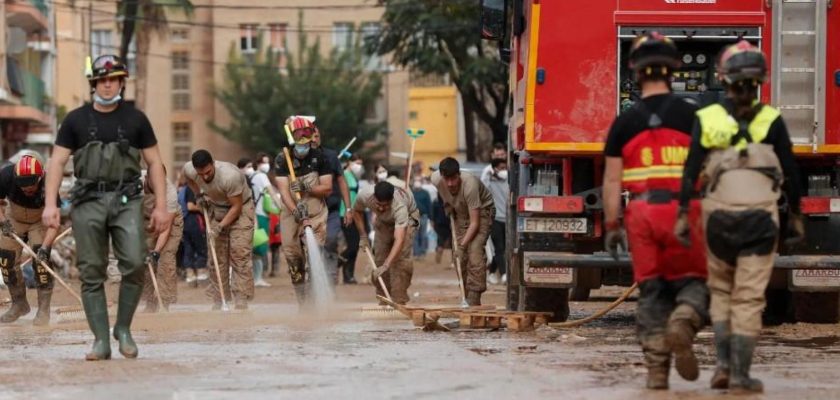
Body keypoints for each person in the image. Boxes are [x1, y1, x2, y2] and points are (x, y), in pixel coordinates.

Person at [674, 40, 803, 394]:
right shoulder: (771, 119)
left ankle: (723, 366)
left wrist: (685, 214)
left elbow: (690, 172)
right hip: (760, 222)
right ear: (760, 79)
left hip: (719, 221)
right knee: (748, 299)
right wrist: (797, 216)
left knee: (722, 294)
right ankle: (742, 375)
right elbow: (790, 171)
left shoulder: (707, 118)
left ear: (723, 79)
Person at [42, 54, 172, 360]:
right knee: (92, 272)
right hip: (87, 202)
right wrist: (51, 204)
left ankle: (123, 329)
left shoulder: (136, 120)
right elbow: (57, 162)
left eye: (113, 79)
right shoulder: (74, 120)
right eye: (102, 79)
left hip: (128, 200)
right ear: (93, 84)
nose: (107, 84)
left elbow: (154, 163)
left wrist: (161, 206)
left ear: (122, 82)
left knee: (135, 264)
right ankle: (100, 339)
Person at [603, 33, 709, 390]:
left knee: (651, 291)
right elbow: (708, 172)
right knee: (694, 282)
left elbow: (612, 180)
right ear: (674, 69)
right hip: (684, 211)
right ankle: (684, 320)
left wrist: (612, 223)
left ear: (635, 72)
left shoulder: (624, 122)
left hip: (642, 214)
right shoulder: (692, 115)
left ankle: (657, 371)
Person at [183, 149, 255, 310]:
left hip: (241, 208)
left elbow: (236, 207)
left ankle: (241, 298)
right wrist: (199, 195)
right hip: (216, 208)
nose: (205, 177)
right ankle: (220, 298)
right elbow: (189, 179)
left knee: (239, 253)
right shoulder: (190, 169)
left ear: (213, 164)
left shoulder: (230, 176)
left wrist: (220, 227)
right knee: (216, 256)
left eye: (208, 172)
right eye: (200, 174)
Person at [274, 117, 333, 306]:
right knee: (293, 257)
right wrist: (295, 210)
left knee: (315, 256)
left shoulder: (320, 158)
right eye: (299, 140)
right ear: (292, 139)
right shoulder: (283, 158)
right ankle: (302, 302)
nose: (303, 145)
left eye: (306, 140)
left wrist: (307, 188)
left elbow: (327, 188)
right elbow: (284, 191)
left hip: (316, 213)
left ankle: (316, 299)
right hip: (291, 213)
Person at [0, 155, 59, 325]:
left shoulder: (50, 184)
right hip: (14, 217)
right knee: (5, 258)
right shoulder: (6, 176)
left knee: (42, 262)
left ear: (40, 178)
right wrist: (3, 222)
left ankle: (43, 308)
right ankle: (19, 303)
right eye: (22, 186)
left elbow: (54, 223)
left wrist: (45, 248)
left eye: (31, 185)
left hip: (40, 219)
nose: (26, 189)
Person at [431, 157, 495, 306]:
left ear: (459, 174)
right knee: (460, 258)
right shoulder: (435, 179)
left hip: (482, 212)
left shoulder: (470, 185)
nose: (450, 184)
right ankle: (465, 295)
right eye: (447, 179)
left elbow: (475, 223)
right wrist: (447, 203)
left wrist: (461, 246)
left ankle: (474, 297)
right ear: (441, 176)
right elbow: (441, 192)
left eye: (454, 179)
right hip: (460, 212)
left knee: (474, 251)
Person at [351, 181, 419, 304]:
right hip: (383, 221)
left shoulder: (400, 206)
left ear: (391, 200)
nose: (381, 208)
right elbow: (356, 211)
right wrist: (363, 236)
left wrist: (387, 265)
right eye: (378, 204)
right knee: (379, 260)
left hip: (408, 219)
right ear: (373, 197)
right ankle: (384, 297)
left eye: (385, 205)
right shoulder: (365, 194)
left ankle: (399, 298)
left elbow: (399, 240)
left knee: (400, 260)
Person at [311, 128, 351, 287]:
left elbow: (341, 181)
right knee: (311, 248)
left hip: (331, 211)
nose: (314, 139)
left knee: (331, 240)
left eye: (317, 136)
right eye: (311, 136)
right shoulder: (297, 158)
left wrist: (348, 208)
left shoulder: (330, 156)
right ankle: (312, 285)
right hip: (310, 212)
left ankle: (331, 281)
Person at [141, 168, 182, 312]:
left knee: (165, 259)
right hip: (145, 220)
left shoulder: (170, 193)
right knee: (146, 262)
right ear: (147, 178)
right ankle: (150, 304)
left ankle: (165, 304)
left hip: (170, 220)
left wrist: (156, 251)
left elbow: (166, 229)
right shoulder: (135, 184)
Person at [238, 157, 272, 288]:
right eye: (247, 166)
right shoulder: (238, 182)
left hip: (253, 218)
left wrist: (255, 222)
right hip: (241, 220)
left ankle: (257, 278)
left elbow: (251, 203)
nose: (249, 169)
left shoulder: (250, 182)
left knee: (258, 250)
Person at [481, 157, 509, 285]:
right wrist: (490, 173)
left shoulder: (509, 180)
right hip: (495, 219)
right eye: (501, 168)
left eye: (505, 168)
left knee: (504, 250)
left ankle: (491, 272)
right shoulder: (489, 182)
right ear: (495, 169)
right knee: (499, 248)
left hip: (508, 220)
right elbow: (482, 187)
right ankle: (504, 274)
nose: (504, 171)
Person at [178, 179, 208, 286]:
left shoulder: (182, 190)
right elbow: (190, 206)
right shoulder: (191, 189)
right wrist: (201, 209)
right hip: (194, 221)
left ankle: (190, 274)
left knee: (188, 248)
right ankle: (201, 272)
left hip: (184, 221)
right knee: (200, 247)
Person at [339, 154, 364, 284]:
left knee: (354, 246)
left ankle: (348, 275)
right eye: (357, 163)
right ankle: (337, 262)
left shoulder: (354, 176)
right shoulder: (344, 175)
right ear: (350, 162)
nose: (359, 166)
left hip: (355, 214)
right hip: (344, 213)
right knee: (352, 246)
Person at [411, 178, 432, 257]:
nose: (417, 182)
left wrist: (430, 217)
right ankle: (416, 252)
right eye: (416, 180)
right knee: (415, 236)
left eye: (418, 181)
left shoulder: (425, 193)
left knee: (423, 234)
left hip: (423, 216)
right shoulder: (411, 193)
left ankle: (422, 252)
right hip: (413, 217)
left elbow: (429, 205)